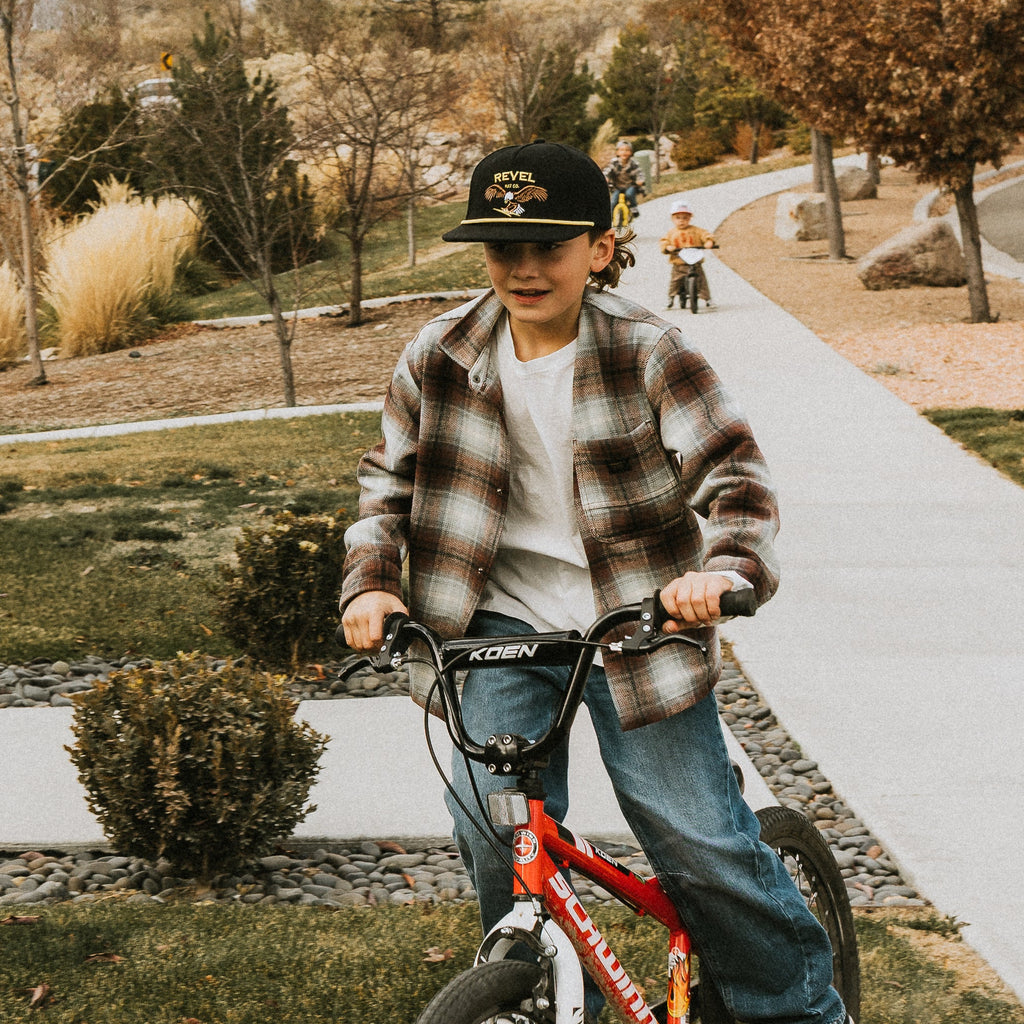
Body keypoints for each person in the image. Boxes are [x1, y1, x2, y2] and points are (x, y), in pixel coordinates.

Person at [340, 140, 849, 1024]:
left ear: (600, 250)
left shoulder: (651, 354)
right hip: (496, 626)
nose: (526, 268)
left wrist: (723, 572)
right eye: (505, 249)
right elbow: (386, 491)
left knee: (698, 844)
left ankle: (801, 1009)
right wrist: (371, 586)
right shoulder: (440, 354)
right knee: (490, 821)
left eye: (550, 246)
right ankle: (540, 992)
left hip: (638, 624)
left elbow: (737, 482)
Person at [660, 199, 716, 309]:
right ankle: (670, 299)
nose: (681, 221)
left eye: (685, 218)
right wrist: (668, 247)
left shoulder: (696, 230)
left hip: (695, 263)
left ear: (690, 218)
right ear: (672, 219)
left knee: (701, 280)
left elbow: (706, 235)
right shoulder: (672, 232)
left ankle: (707, 299)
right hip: (679, 264)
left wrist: (709, 241)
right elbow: (664, 241)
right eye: (678, 218)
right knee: (675, 281)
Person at [603, 139, 645, 219]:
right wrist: (606, 177)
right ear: (617, 152)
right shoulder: (614, 162)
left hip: (630, 185)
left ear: (631, 152)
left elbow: (639, 172)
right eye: (621, 150)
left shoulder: (633, 163)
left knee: (629, 194)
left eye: (627, 150)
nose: (624, 152)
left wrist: (640, 180)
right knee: (613, 201)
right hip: (617, 186)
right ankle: (609, 217)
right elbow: (608, 170)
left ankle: (633, 207)